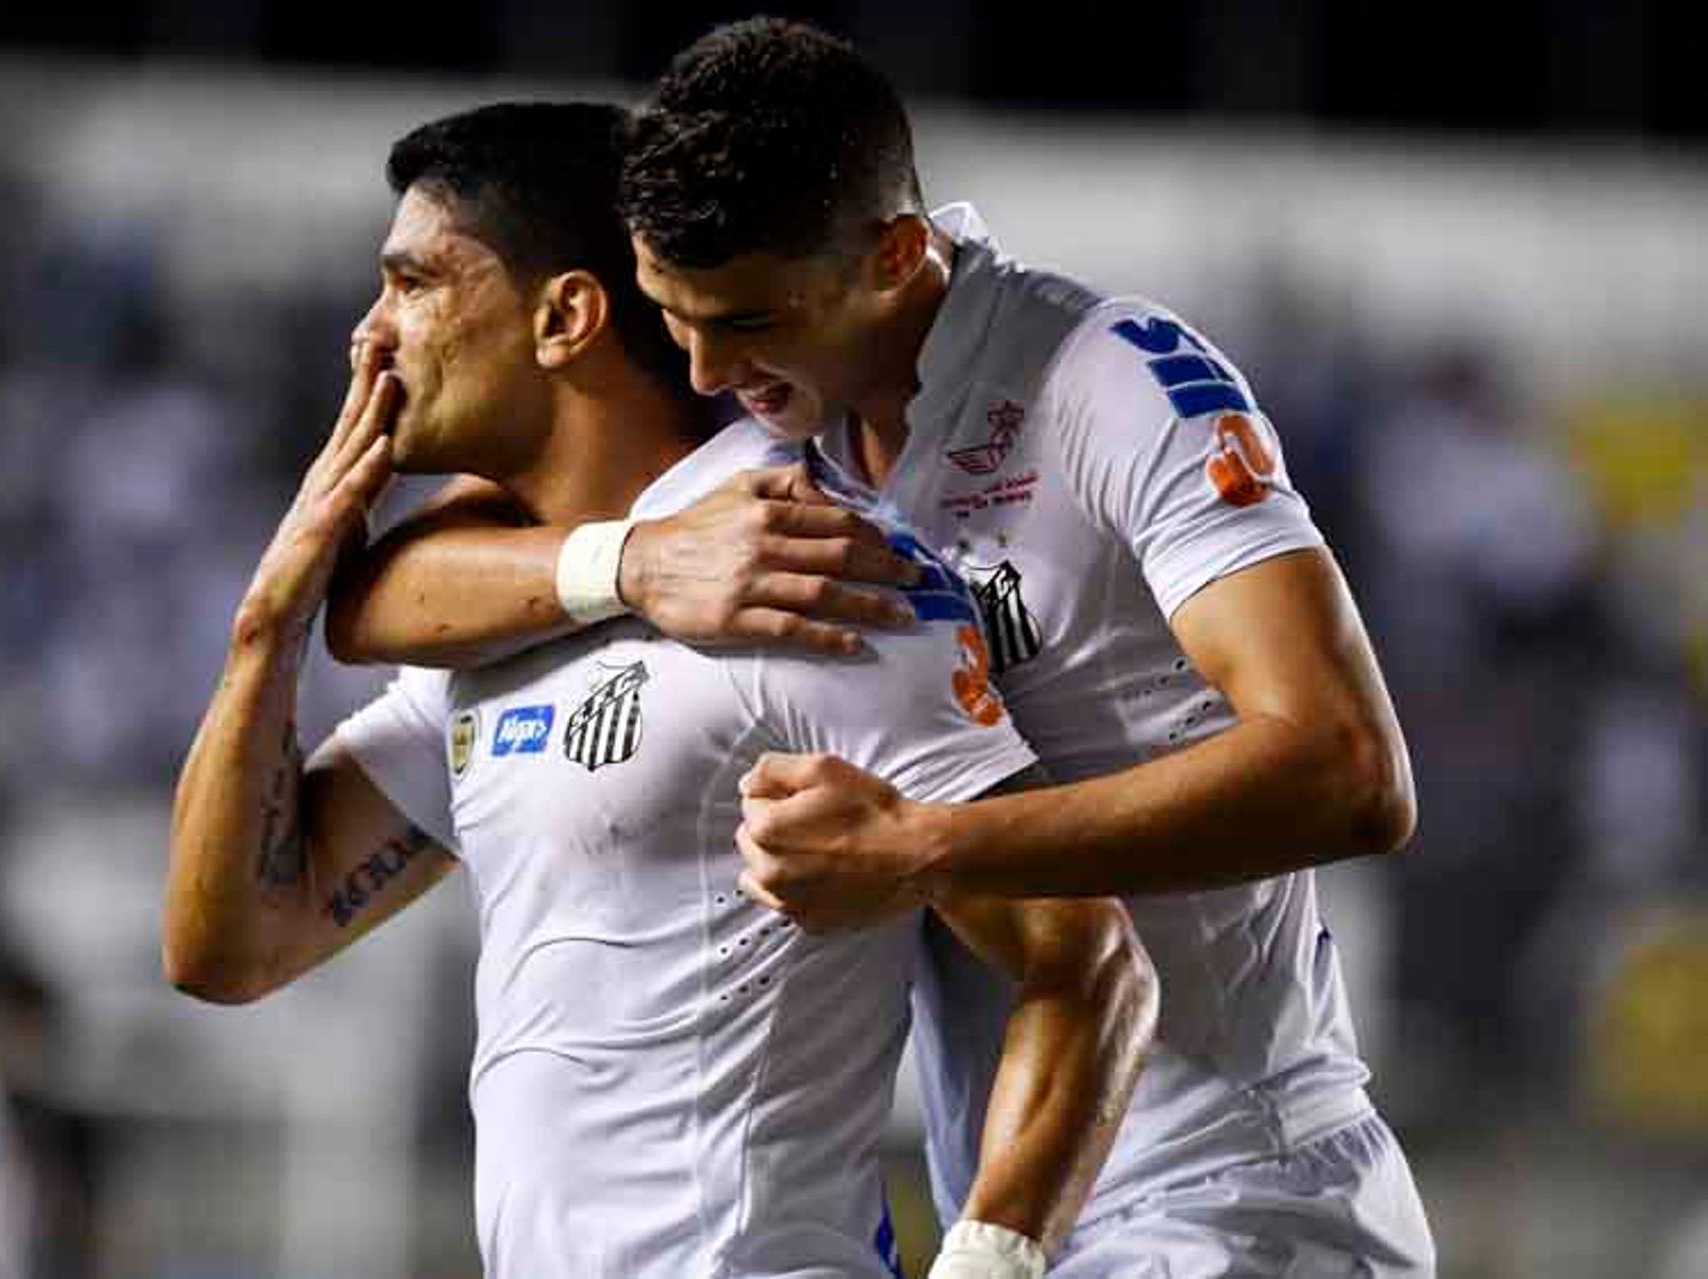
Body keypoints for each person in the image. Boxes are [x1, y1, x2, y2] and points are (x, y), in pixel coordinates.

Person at [324, 20, 1436, 1277]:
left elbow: (1349, 769)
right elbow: (378, 600)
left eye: (740, 321)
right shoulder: (791, 402)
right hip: (1031, 1188)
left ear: (897, 255)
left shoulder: (1109, 384)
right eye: (671, 318)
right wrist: (623, 563)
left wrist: (922, 846)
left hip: (1232, 1187)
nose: (705, 367)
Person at [164, 102, 1156, 1279]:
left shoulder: (804, 568)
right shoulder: (515, 623)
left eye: (413, 284)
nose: (368, 336)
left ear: (565, 316)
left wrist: (992, 1263)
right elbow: (229, 946)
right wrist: (265, 627)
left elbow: (1087, 958)